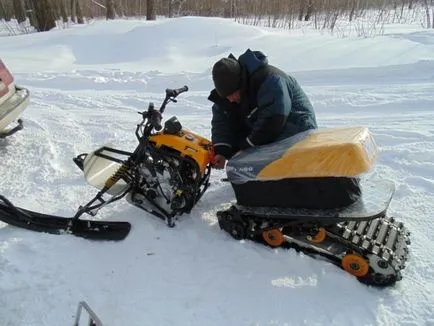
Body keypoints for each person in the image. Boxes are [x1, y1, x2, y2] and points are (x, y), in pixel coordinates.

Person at [208, 49, 318, 169]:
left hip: (296, 127)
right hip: (265, 128)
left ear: (241, 84)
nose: (230, 99)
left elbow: (273, 120)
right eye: (226, 96)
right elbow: (222, 118)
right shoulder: (232, 91)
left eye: (232, 94)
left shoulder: (270, 80)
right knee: (242, 153)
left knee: (263, 162)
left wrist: (247, 148)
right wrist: (222, 151)